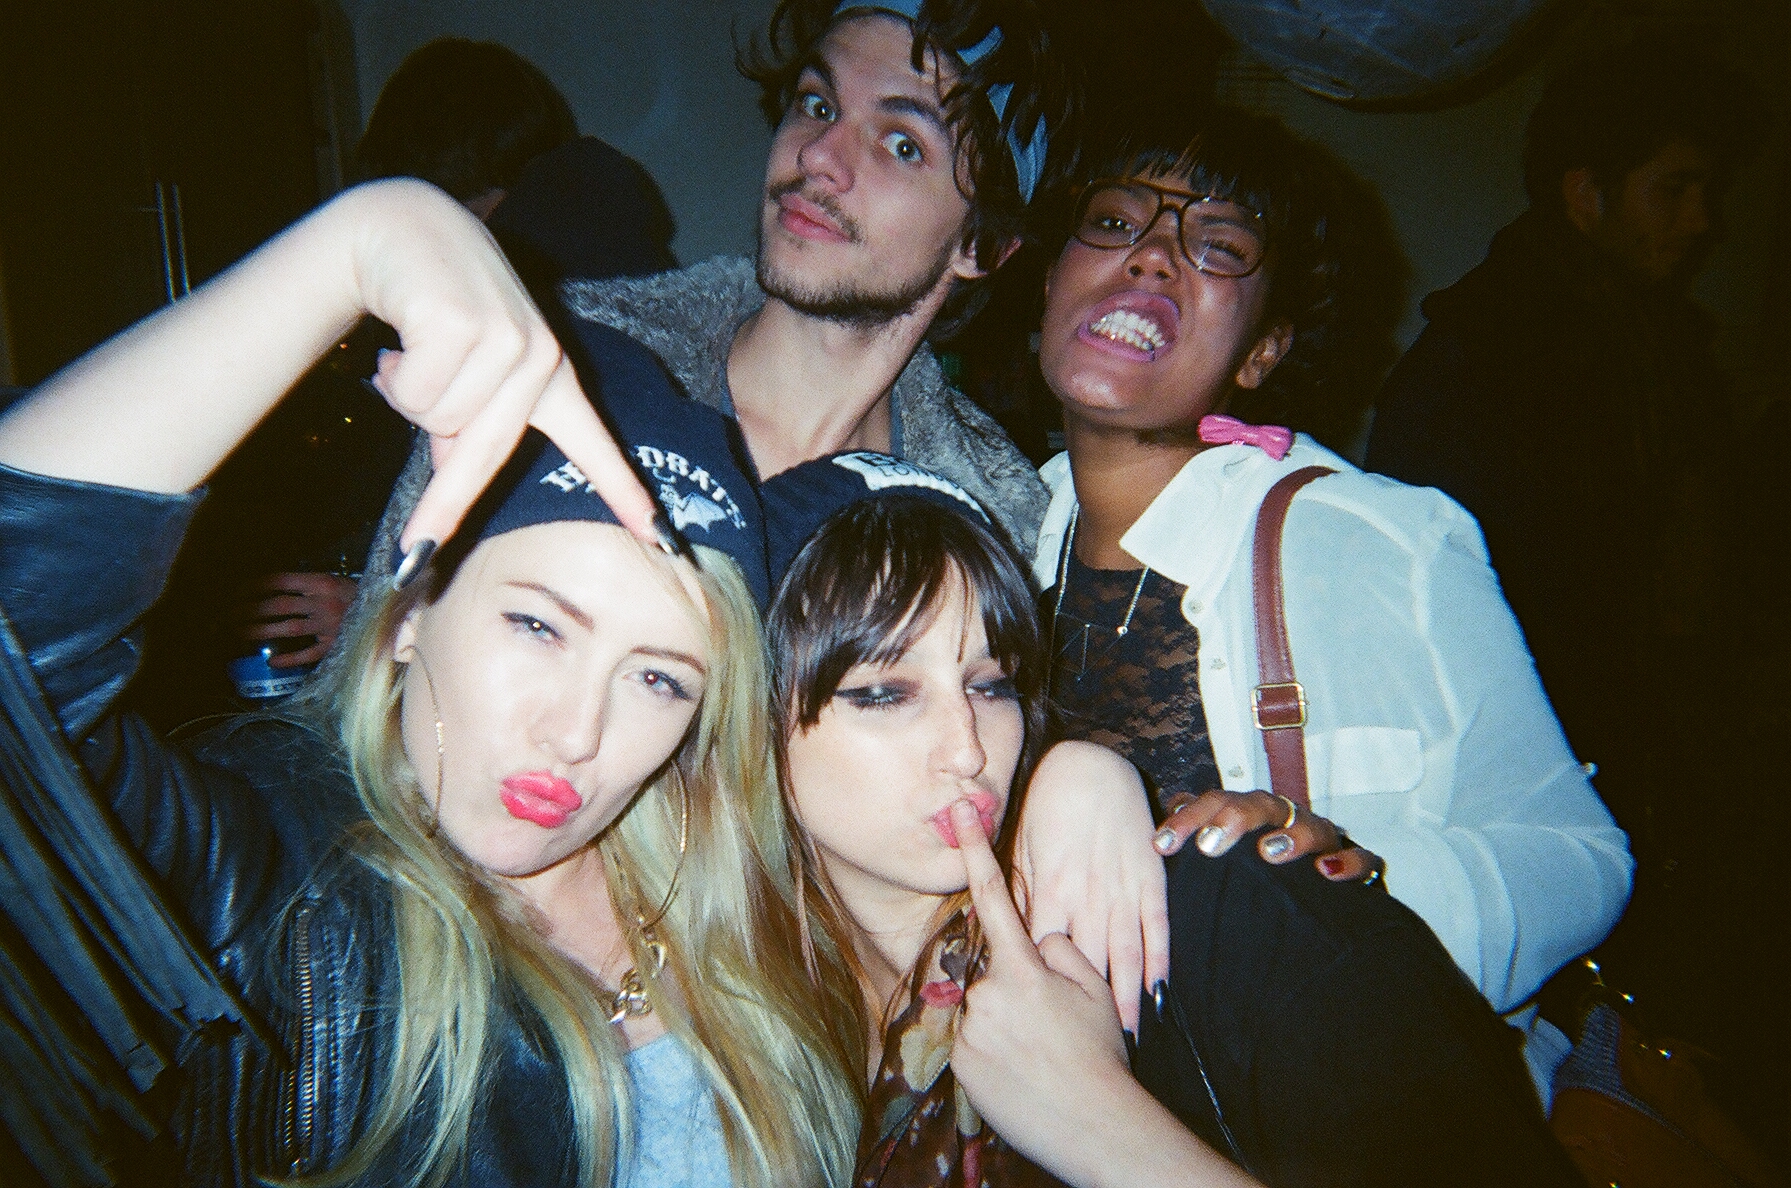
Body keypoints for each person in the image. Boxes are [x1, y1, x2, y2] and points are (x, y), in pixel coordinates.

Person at [0, 179, 860, 1186]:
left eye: (660, 680)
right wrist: (357, 244)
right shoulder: (278, 892)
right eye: (538, 626)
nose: (577, 733)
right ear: (408, 614)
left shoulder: (745, 897)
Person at [757, 453, 1585, 1187]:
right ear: (746, 718)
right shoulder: (729, 1020)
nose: (967, 749)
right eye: (882, 693)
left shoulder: (1235, 920)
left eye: (990, 684)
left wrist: (1101, 1122)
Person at [1028, 106, 1634, 1102]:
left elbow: (1582, 859)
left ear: (1261, 352)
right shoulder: (990, 537)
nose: (1150, 255)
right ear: (1052, 281)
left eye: (1218, 244)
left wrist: (1367, 883)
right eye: (1114, 221)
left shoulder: (1377, 542)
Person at [1364, 34, 1770, 1065]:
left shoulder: (1655, 343)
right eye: (1674, 189)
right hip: (1557, 771)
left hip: (1662, 752)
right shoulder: (1483, 360)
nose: (1701, 221)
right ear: (1587, 194)